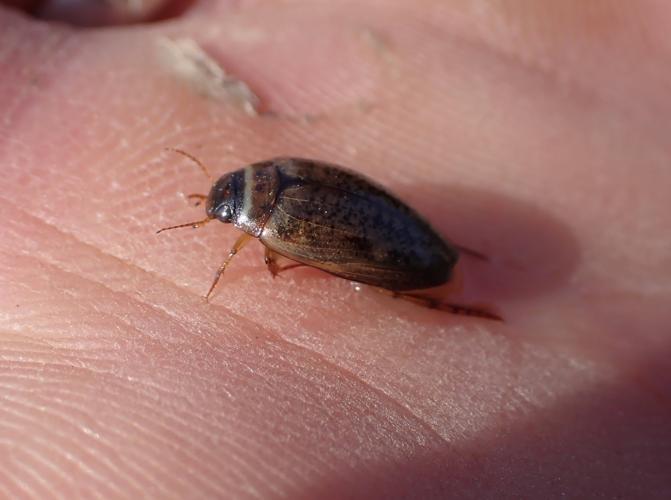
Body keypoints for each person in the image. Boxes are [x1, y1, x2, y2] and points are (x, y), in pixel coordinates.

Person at [1, 0, 669, 497]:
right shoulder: (281, 166)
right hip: (395, 230)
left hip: (401, 251)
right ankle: (444, 278)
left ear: (242, 221)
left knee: (359, 260)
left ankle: (442, 294)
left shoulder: (273, 235)